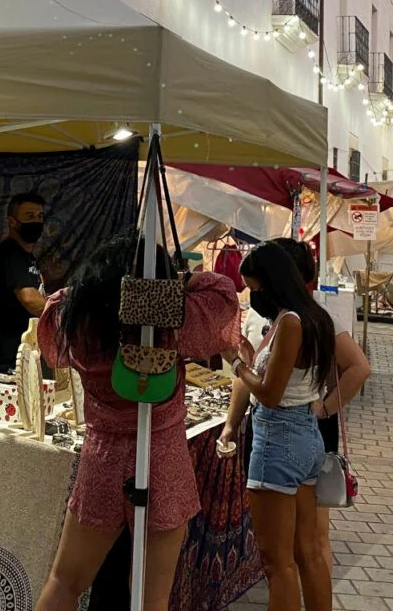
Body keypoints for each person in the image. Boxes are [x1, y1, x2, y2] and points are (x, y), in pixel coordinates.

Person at [36, 232, 241, 611]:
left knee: (65, 581)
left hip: (103, 457)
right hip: (161, 456)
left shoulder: (77, 319)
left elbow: (53, 312)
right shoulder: (171, 326)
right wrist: (178, 282)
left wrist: (95, 288)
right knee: (151, 599)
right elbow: (223, 292)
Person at [220, 241, 336, 611]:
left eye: (254, 287)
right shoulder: (316, 318)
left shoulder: (290, 322)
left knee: (277, 563)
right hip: (306, 436)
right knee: (309, 552)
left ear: (271, 282)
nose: (253, 295)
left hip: (278, 437)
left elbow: (270, 394)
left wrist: (237, 366)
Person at [274, 238, 371, 575]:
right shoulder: (280, 315)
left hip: (310, 425)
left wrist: (325, 409)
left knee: (314, 533)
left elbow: (359, 367)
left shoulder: (318, 317)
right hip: (282, 428)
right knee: (293, 536)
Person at [0, 192, 49, 374]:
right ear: (12, 222)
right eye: (29, 216)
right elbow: (30, 300)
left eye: (40, 216)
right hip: (6, 361)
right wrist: (60, 310)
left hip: (22, 356)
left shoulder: (27, 257)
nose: (36, 221)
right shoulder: (10, 254)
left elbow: (39, 295)